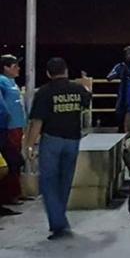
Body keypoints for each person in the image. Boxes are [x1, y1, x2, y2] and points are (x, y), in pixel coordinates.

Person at [23, 58, 92, 240]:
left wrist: (29, 145)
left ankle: (58, 222)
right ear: (66, 71)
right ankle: (59, 220)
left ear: (48, 73)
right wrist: (86, 86)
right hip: (73, 140)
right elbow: (87, 101)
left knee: (48, 183)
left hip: (52, 140)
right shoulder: (77, 89)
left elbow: (37, 121)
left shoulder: (44, 93)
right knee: (64, 182)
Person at [0, 54, 27, 207]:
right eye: (14, 66)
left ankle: (17, 191)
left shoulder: (12, 83)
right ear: (6, 67)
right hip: (8, 128)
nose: (18, 69)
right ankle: (10, 195)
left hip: (17, 126)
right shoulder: (2, 82)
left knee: (16, 160)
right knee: (12, 161)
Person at [107, 46, 130, 134]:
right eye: (126, 53)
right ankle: (120, 132)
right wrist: (120, 73)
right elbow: (109, 77)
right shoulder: (120, 66)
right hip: (122, 95)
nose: (128, 55)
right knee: (119, 114)